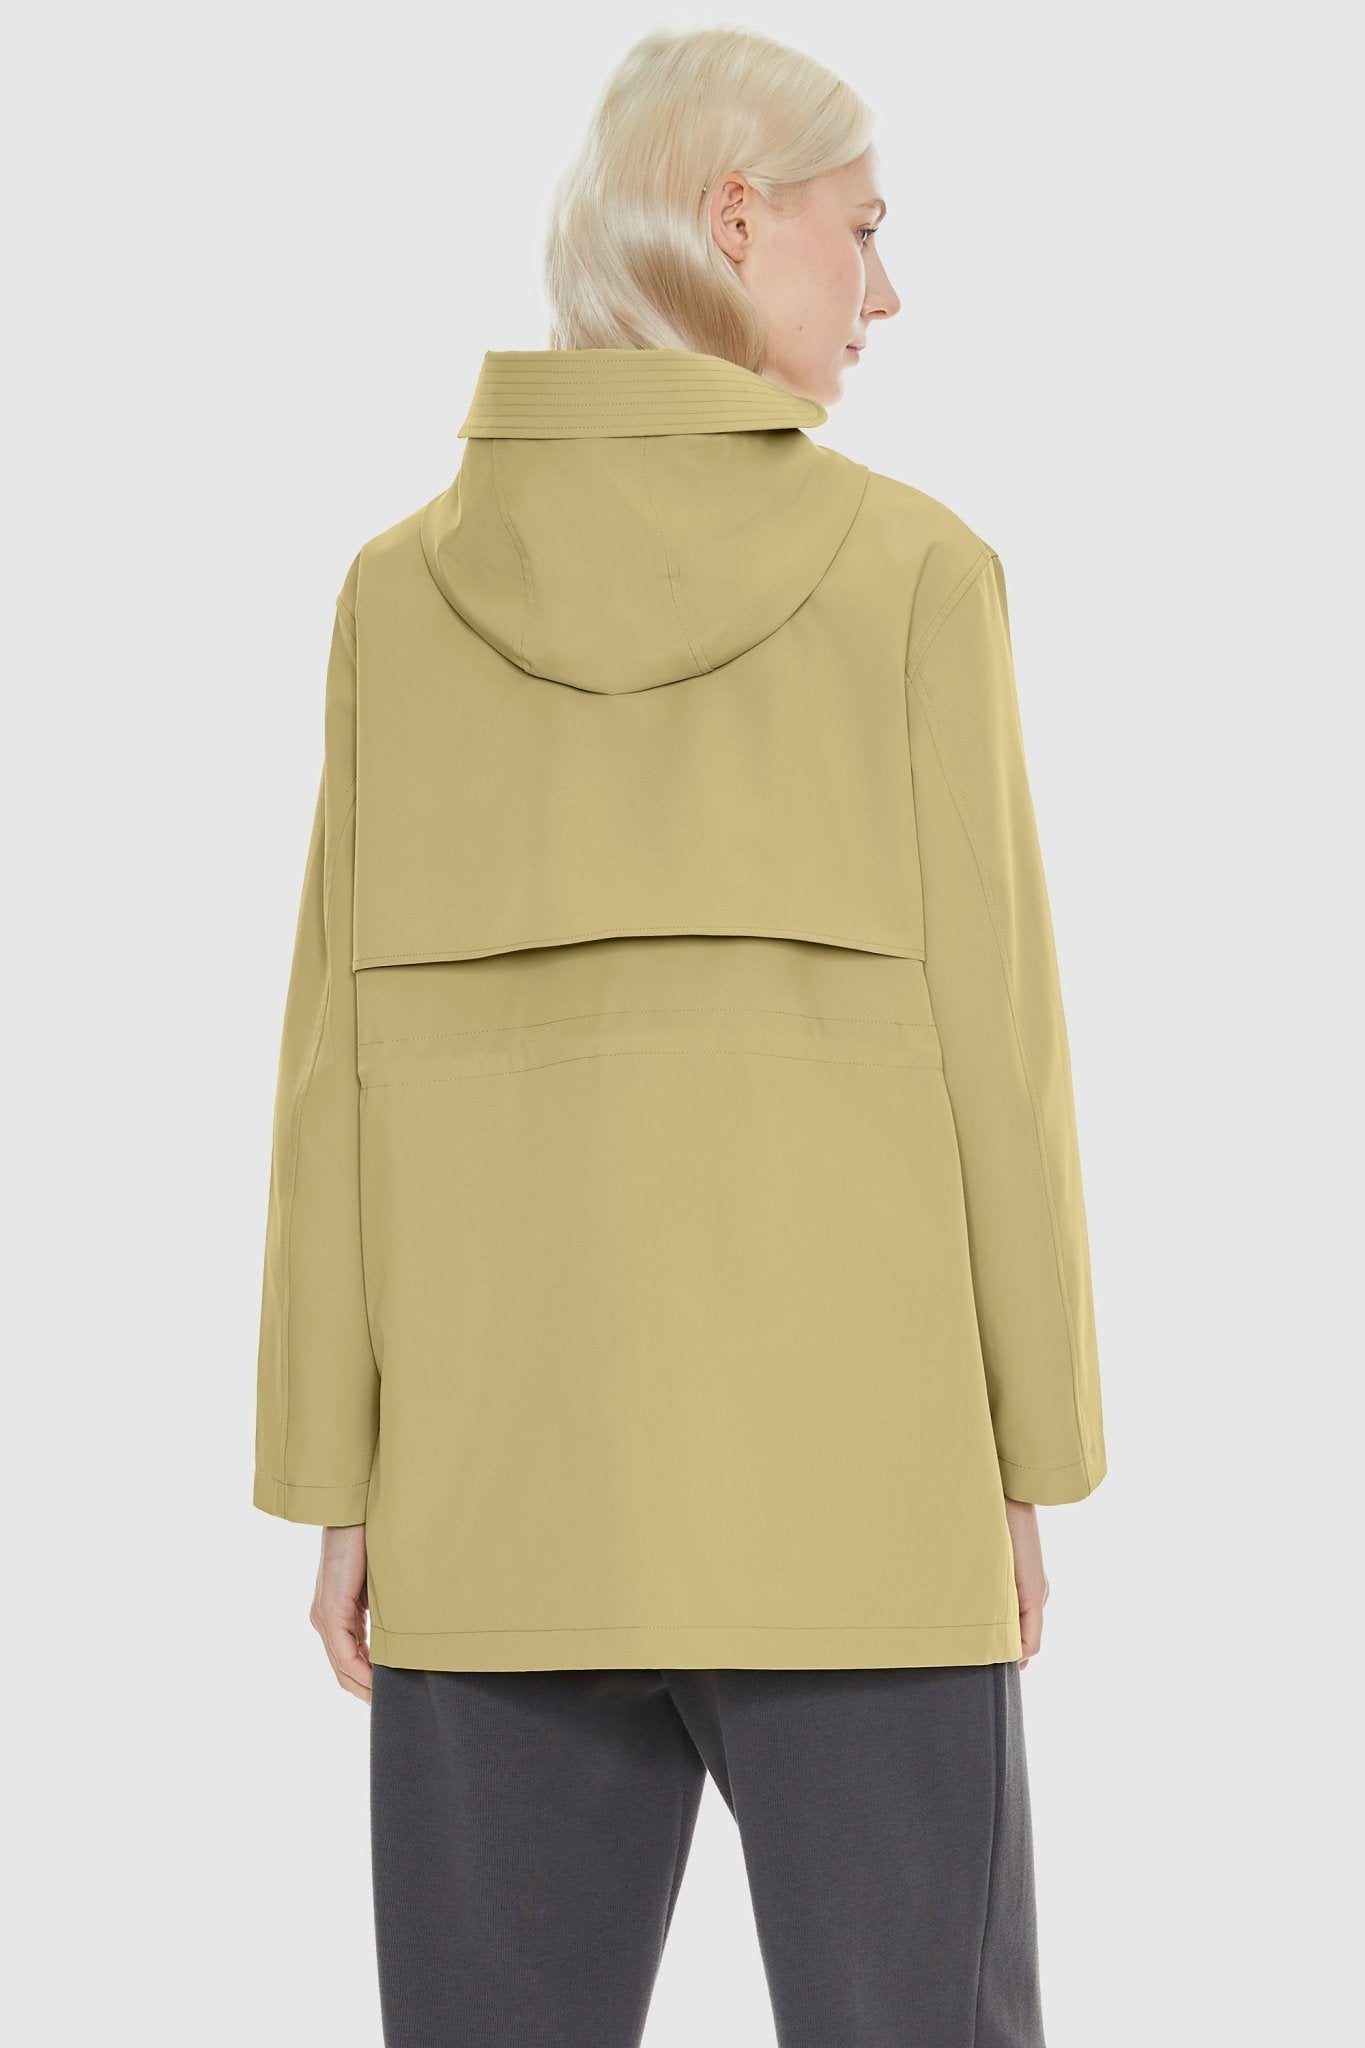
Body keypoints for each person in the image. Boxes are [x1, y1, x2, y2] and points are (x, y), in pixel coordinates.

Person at [251, 24, 1107, 2047]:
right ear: (736, 218)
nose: (883, 291)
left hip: (489, 1501)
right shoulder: (915, 578)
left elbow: (330, 1078)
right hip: (862, 1505)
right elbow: (1000, 1060)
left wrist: (338, 1475)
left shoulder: (394, 600)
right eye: (861, 230)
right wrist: (1030, 1456)